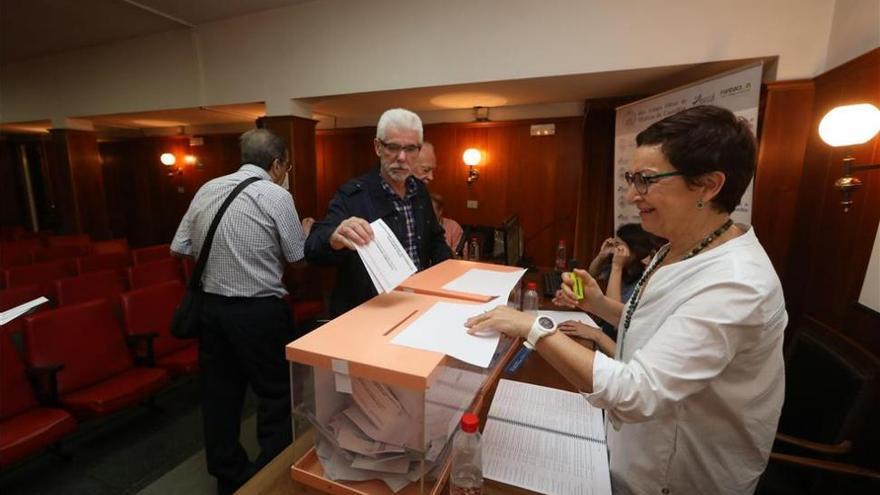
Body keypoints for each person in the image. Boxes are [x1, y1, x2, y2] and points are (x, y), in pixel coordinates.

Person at [465, 105, 786, 495]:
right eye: (632, 179)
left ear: (707, 185)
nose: (633, 195)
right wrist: (598, 305)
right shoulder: (679, 246)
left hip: (678, 475)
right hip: (632, 449)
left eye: (646, 180)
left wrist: (533, 326)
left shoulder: (737, 284)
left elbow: (638, 392)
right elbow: (661, 327)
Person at [170, 128, 307, 495]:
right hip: (259, 312)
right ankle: (269, 478)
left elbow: (180, 245)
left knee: (220, 396)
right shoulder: (277, 195)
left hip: (212, 312)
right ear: (278, 163)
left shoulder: (207, 188)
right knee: (276, 396)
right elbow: (297, 256)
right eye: (286, 166)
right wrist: (304, 231)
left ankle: (229, 477)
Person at [305, 108, 452, 316]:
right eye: (393, 147)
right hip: (370, 312)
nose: (402, 157)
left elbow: (436, 240)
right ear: (377, 147)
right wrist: (333, 238)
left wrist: (447, 277)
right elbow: (313, 248)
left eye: (411, 149)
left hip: (418, 305)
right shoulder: (352, 194)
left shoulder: (419, 191)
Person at [565, 223, 665, 341]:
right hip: (605, 332)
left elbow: (611, 315)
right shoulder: (623, 268)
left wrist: (617, 266)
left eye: (618, 245)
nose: (614, 250)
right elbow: (592, 273)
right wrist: (601, 256)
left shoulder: (642, 279)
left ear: (635, 250)